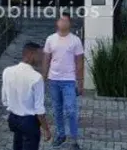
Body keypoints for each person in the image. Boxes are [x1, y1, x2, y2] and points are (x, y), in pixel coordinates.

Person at [42, 11, 84, 149]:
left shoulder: (75, 40)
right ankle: (61, 135)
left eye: (66, 20)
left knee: (71, 110)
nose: (63, 22)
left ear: (69, 23)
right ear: (57, 22)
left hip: (69, 81)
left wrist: (81, 82)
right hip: (54, 80)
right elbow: (46, 59)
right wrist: (43, 77)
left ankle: (74, 139)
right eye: (61, 20)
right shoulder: (50, 39)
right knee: (57, 109)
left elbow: (79, 63)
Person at [2, 42, 52, 150]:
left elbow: (5, 100)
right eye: (40, 55)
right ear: (30, 54)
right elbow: (39, 110)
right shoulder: (36, 78)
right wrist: (46, 129)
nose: (41, 59)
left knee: (17, 145)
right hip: (29, 122)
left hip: (13, 119)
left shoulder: (7, 72)